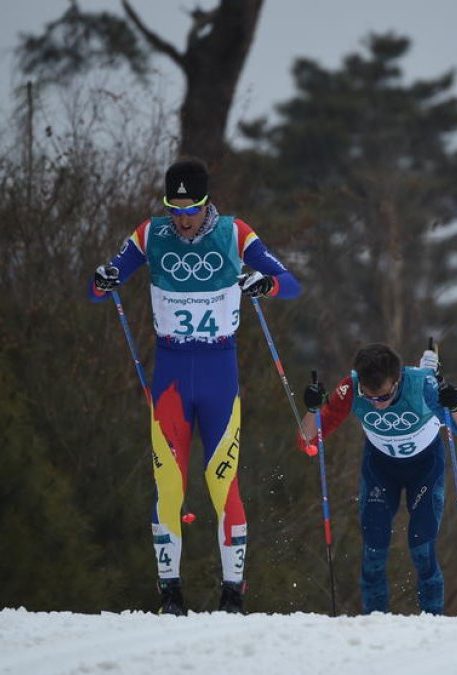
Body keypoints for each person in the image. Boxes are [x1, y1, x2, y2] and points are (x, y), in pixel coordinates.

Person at [89, 158, 301, 615]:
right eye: (175, 209)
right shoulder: (150, 234)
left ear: (207, 204)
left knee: (222, 482)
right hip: (170, 375)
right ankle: (170, 594)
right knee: (168, 485)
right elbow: (101, 283)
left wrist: (265, 284)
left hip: (218, 371)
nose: (183, 219)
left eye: (191, 209)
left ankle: (232, 593)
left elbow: (292, 283)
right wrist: (103, 279)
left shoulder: (235, 232)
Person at [299, 343, 457, 614]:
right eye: (370, 398)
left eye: (384, 396)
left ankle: (434, 623)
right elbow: (307, 442)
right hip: (380, 469)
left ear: (397, 380)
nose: (378, 405)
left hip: (425, 469)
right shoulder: (350, 388)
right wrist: (312, 410)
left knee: (421, 547)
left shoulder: (423, 386)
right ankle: (374, 622)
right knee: (374, 548)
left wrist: (455, 408)